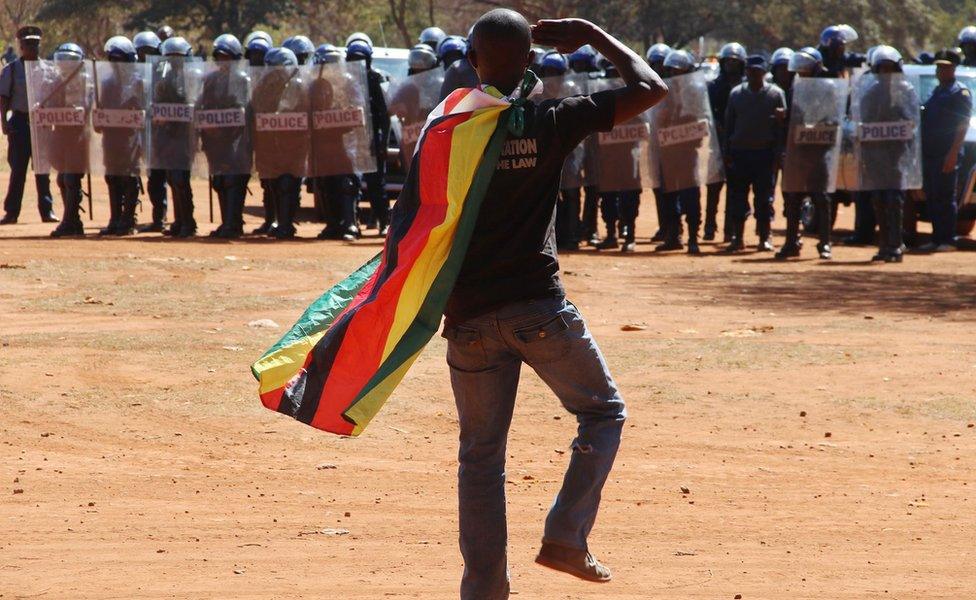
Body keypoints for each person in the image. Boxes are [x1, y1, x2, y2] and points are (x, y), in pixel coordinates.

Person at [442, 10, 666, 596]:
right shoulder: (551, 118)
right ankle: (566, 534)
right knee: (603, 412)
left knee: (480, 460)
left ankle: (483, 590)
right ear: (532, 61)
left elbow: (417, 226)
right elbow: (651, 88)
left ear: (471, 60)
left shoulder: (448, 128)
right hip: (538, 308)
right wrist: (593, 35)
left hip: (468, 318)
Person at [777, 47, 841, 260]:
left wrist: (819, 127)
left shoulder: (828, 88)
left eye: (806, 68)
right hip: (798, 152)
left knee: (821, 198)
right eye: (800, 69)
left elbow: (834, 119)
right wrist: (784, 117)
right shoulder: (794, 89)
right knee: (793, 197)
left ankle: (825, 243)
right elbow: (791, 119)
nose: (802, 72)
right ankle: (791, 243)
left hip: (819, 151)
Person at [858, 46, 919, 263]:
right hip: (875, 154)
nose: (885, 72)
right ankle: (884, 244)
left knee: (894, 199)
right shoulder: (870, 92)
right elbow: (862, 120)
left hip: (896, 154)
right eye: (881, 68)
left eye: (889, 68)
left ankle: (896, 244)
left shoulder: (906, 91)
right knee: (878, 199)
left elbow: (913, 122)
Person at [723, 54, 787, 252]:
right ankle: (738, 237)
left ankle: (764, 237)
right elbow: (728, 125)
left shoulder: (775, 94)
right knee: (738, 198)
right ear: (747, 72)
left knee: (764, 199)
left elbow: (782, 128)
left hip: (765, 154)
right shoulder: (736, 94)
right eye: (751, 71)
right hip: (740, 154)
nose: (754, 74)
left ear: (764, 72)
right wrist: (727, 152)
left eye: (758, 71)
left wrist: (778, 154)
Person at [0, 25, 55, 224]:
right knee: (18, 169)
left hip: (42, 124)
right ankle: (11, 212)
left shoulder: (48, 68)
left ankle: (47, 210)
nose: (32, 47)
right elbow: (4, 97)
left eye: (35, 44)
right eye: (28, 44)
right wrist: (4, 122)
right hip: (20, 122)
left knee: (42, 169)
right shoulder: (11, 70)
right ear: (21, 46)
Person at [251, 47, 308, 239]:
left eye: (280, 68)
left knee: (287, 182)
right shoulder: (264, 85)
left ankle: (286, 224)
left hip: (294, 143)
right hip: (271, 143)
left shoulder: (298, 84)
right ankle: (277, 221)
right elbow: (256, 107)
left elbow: (303, 111)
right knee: (273, 182)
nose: (277, 72)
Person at [199, 34, 252, 239]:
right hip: (215, 140)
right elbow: (203, 105)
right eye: (220, 57)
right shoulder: (210, 80)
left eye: (227, 57)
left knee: (233, 180)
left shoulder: (243, 80)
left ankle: (233, 223)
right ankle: (226, 223)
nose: (223, 61)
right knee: (220, 181)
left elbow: (245, 110)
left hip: (237, 141)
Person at [918, 48, 971, 252]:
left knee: (945, 197)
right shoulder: (936, 91)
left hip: (947, 153)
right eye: (938, 67)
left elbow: (962, 125)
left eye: (945, 67)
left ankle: (947, 239)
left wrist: (952, 153)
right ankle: (936, 237)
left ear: (954, 69)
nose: (940, 71)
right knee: (932, 196)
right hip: (930, 153)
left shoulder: (959, 92)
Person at [654, 49, 705, 254]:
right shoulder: (663, 90)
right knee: (668, 195)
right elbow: (656, 119)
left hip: (687, 151)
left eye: (680, 70)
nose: (676, 74)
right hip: (667, 151)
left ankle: (693, 237)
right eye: (672, 70)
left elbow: (702, 118)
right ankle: (674, 236)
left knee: (690, 195)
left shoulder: (696, 91)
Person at [95, 36, 142, 237]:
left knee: (130, 178)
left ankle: (128, 220)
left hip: (131, 139)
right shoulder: (106, 83)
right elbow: (103, 108)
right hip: (111, 138)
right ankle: (115, 219)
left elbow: (142, 111)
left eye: (119, 59)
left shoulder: (138, 82)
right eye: (112, 60)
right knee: (112, 177)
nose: (115, 64)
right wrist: (99, 119)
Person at [346, 38, 391, 236]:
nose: (358, 63)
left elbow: (385, 113)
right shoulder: (344, 80)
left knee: (376, 184)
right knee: (350, 182)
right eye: (354, 59)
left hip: (372, 138)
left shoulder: (376, 78)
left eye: (361, 59)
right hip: (350, 138)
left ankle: (384, 222)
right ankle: (351, 224)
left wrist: (383, 141)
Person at [152, 36, 197, 237]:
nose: (174, 61)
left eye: (178, 57)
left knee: (180, 178)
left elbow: (193, 102)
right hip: (167, 134)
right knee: (171, 177)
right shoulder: (164, 77)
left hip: (184, 136)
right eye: (170, 58)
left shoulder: (193, 77)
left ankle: (189, 222)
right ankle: (179, 221)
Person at [46, 43, 90, 237]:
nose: (65, 64)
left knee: (71, 178)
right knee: (62, 179)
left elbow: (89, 107)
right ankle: (72, 220)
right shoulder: (56, 81)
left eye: (70, 60)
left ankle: (70, 221)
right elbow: (51, 103)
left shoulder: (86, 81)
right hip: (61, 135)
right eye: (62, 60)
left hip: (78, 137)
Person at [705, 42, 746, 241]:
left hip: (739, 143)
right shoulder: (713, 86)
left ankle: (729, 230)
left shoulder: (745, 87)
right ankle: (709, 226)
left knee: (735, 188)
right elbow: (707, 111)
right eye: (728, 61)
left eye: (735, 62)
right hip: (717, 143)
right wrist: (717, 125)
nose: (731, 65)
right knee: (713, 186)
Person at [133, 30, 168, 232]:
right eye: (142, 52)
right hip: (143, 132)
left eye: (150, 51)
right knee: (153, 178)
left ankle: (170, 219)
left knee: (168, 177)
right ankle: (158, 218)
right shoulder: (134, 74)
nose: (145, 56)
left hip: (164, 132)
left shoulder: (165, 73)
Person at [567, 44, 601, 245]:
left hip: (596, 141)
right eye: (577, 64)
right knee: (572, 187)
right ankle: (574, 228)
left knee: (593, 187)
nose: (580, 67)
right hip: (575, 141)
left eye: (584, 64)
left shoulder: (599, 82)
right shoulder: (568, 83)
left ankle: (592, 229)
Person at [244, 33, 277, 235]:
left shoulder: (270, 80)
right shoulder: (245, 77)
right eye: (253, 54)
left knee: (273, 181)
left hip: (275, 139)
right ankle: (268, 219)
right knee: (266, 181)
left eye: (260, 54)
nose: (256, 58)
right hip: (253, 135)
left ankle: (274, 220)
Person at [646, 42, 671, 243]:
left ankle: (674, 228)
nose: (659, 67)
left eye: (662, 64)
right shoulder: (645, 85)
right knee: (658, 187)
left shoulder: (677, 86)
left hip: (673, 147)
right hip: (653, 145)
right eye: (655, 63)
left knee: (673, 188)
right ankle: (664, 226)